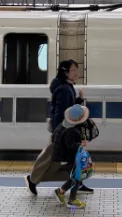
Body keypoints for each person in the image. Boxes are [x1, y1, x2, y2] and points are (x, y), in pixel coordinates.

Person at [25, 60, 93, 195]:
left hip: (65, 130)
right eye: (73, 70)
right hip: (62, 131)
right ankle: (32, 179)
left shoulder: (67, 88)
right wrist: (59, 132)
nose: (76, 73)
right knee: (48, 158)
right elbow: (60, 112)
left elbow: (69, 109)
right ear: (66, 72)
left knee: (65, 158)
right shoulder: (63, 89)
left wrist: (78, 100)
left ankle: (78, 182)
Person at [52, 104, 91, 209]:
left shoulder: (63, 125)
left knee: (75, 177)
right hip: (69, 158)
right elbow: (70, 145)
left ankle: (61, 191)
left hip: (62, 157)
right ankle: (72, 201)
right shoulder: (72, 131)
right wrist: (80, 145)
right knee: (76, 178)